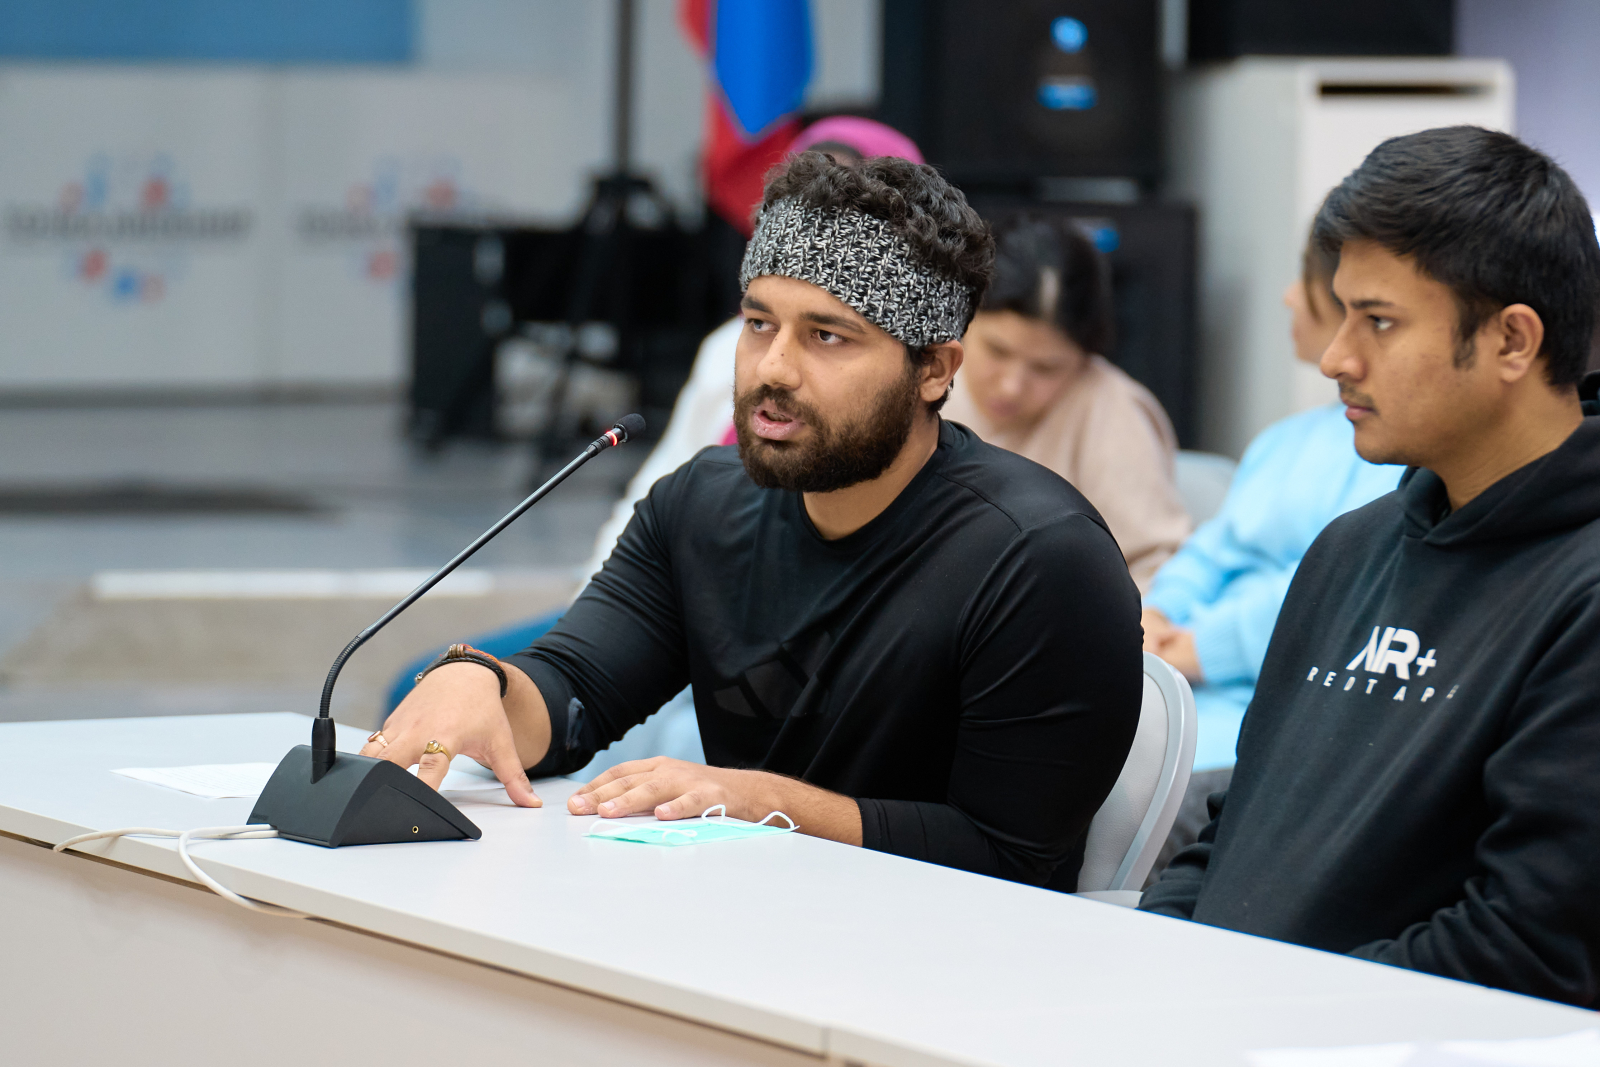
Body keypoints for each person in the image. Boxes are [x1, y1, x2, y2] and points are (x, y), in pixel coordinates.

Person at [369, 152, 1144, 889]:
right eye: (760, 323)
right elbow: (573, 692)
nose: (773, 368)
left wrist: (758, 803)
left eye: (827, 336)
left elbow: (1010, 860)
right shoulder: (700, 506)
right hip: (733, 925)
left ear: (934, 370)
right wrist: (481, 681)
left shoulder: (1039, 558)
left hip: (943, 963)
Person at [1141, 126, 1600, 1007]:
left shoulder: (1580, 593)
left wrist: (1253, 1011)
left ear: (1512, 341)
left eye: (1379, 321)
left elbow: (1527, 946)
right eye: (1342, 312)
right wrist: (1156, 958)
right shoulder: (1350, 546)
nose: (1335, 358)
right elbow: (1236, 829)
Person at [1141, 234, 1403, 778]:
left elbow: (1331, 586)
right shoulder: (1283, 439)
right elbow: (1213, 549)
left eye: (1303, 282)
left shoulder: (1391, 454)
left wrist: (1202, 649)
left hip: (1260, 708)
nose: (1288, 297)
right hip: (1178, 680)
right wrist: (1159, 612)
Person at [942, 215, 1190, 591]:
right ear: (964, 317)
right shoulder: (922, 381)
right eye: (997, 351)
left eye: (1046, 368)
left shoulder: (1111, 410)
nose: (1011, 387)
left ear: (1084, 358)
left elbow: (1156, 566)